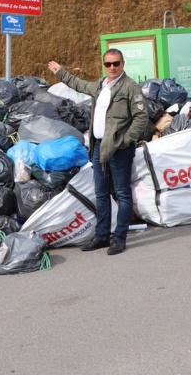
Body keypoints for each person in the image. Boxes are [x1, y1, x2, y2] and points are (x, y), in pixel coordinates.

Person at [47, 49, 148, 255]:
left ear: (123, 63)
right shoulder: (100, 85)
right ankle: (102, 236)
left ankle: (119, 238)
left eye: (116, 63)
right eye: (108, 64)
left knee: (122, 194)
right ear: (104, 65)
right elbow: (79, 84)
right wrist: (61, 73)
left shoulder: (130, 87)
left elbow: (141, 117)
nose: (112, 67)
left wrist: (125, 140)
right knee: (101, 194)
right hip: (98, 147)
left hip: (119, 149)